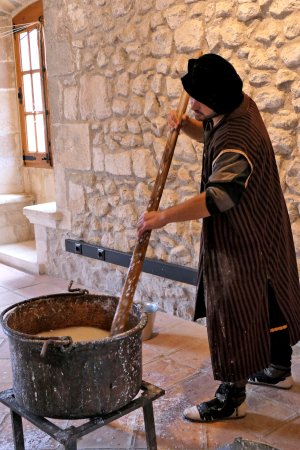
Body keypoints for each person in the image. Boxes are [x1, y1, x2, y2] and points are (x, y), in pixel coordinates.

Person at [137, 54, 300, 422]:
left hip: (243, 236)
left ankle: (232, 398)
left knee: (234, 311)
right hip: (265, 225)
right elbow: (212, 132)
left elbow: (217, 197)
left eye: (198, 98)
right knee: (270, 297)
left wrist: (162, 217)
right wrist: (188, 127)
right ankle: (278, 370)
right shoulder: (238, 106)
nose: (192, 103)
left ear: (218, 98)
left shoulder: (237, 137)